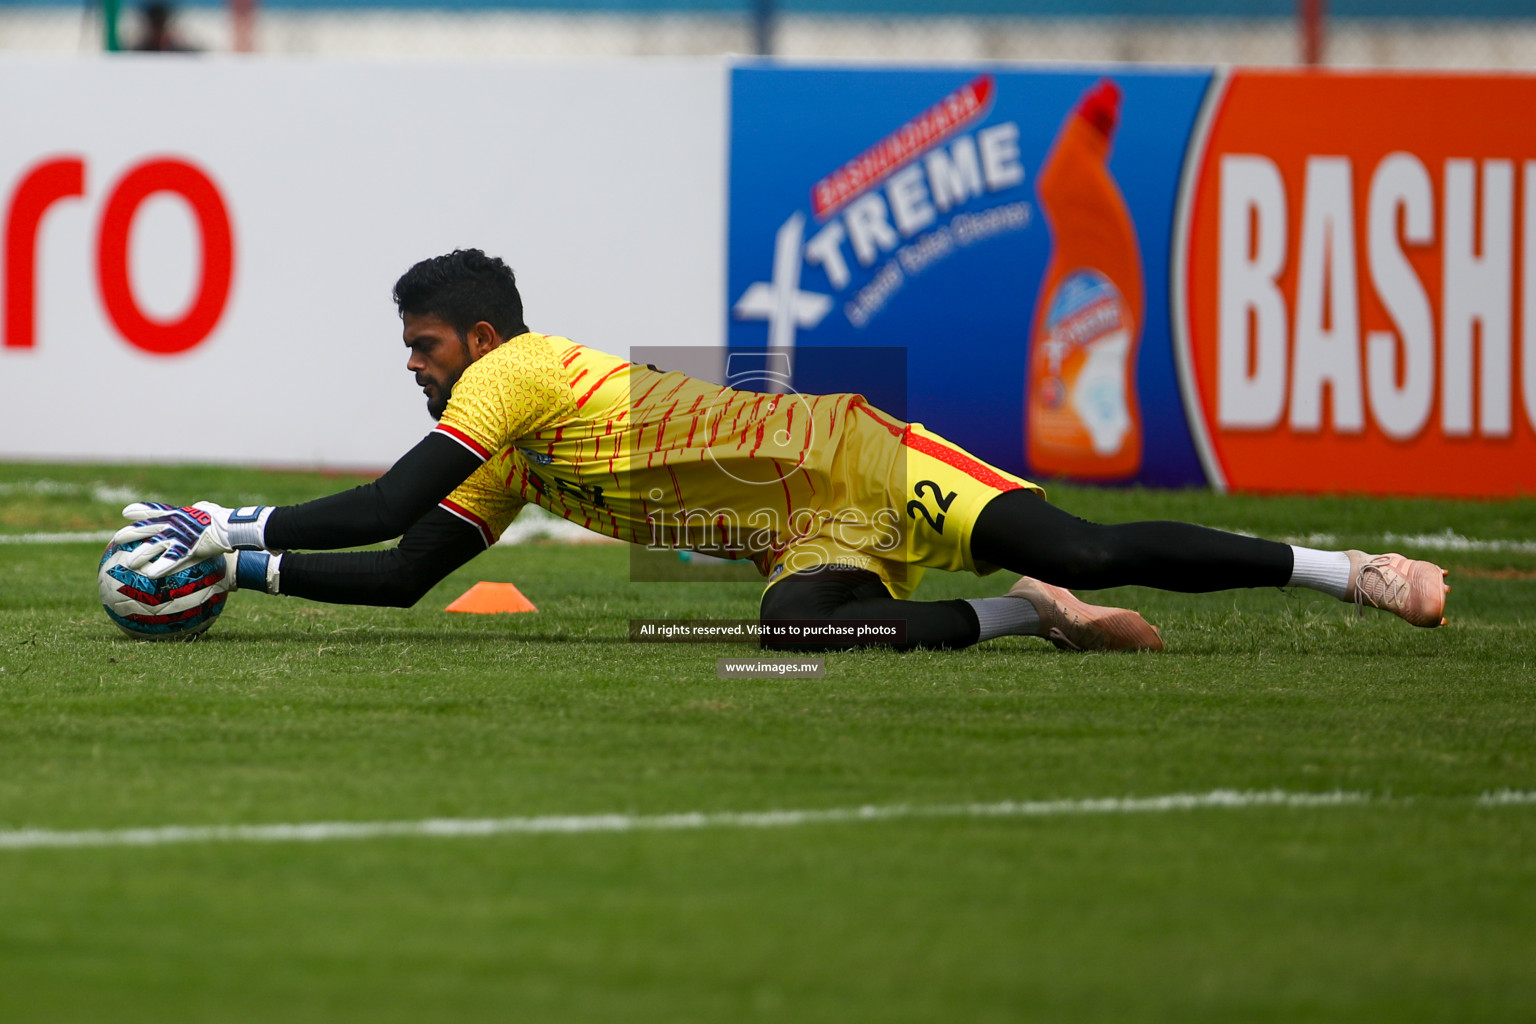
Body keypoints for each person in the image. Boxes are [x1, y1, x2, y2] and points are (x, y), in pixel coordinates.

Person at [113, 249, 1449, 653]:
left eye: (423, 344)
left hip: (853, 458)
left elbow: (396, 496)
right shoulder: (515, 445)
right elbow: (410, 564)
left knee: (1095, 538)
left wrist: (230, 528)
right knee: (801, 630)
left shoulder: (519, 373)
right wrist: (249, 577)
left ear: (477, 337)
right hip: (805, 530)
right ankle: (1029, 620)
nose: (413, 363)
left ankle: (1354, 573)